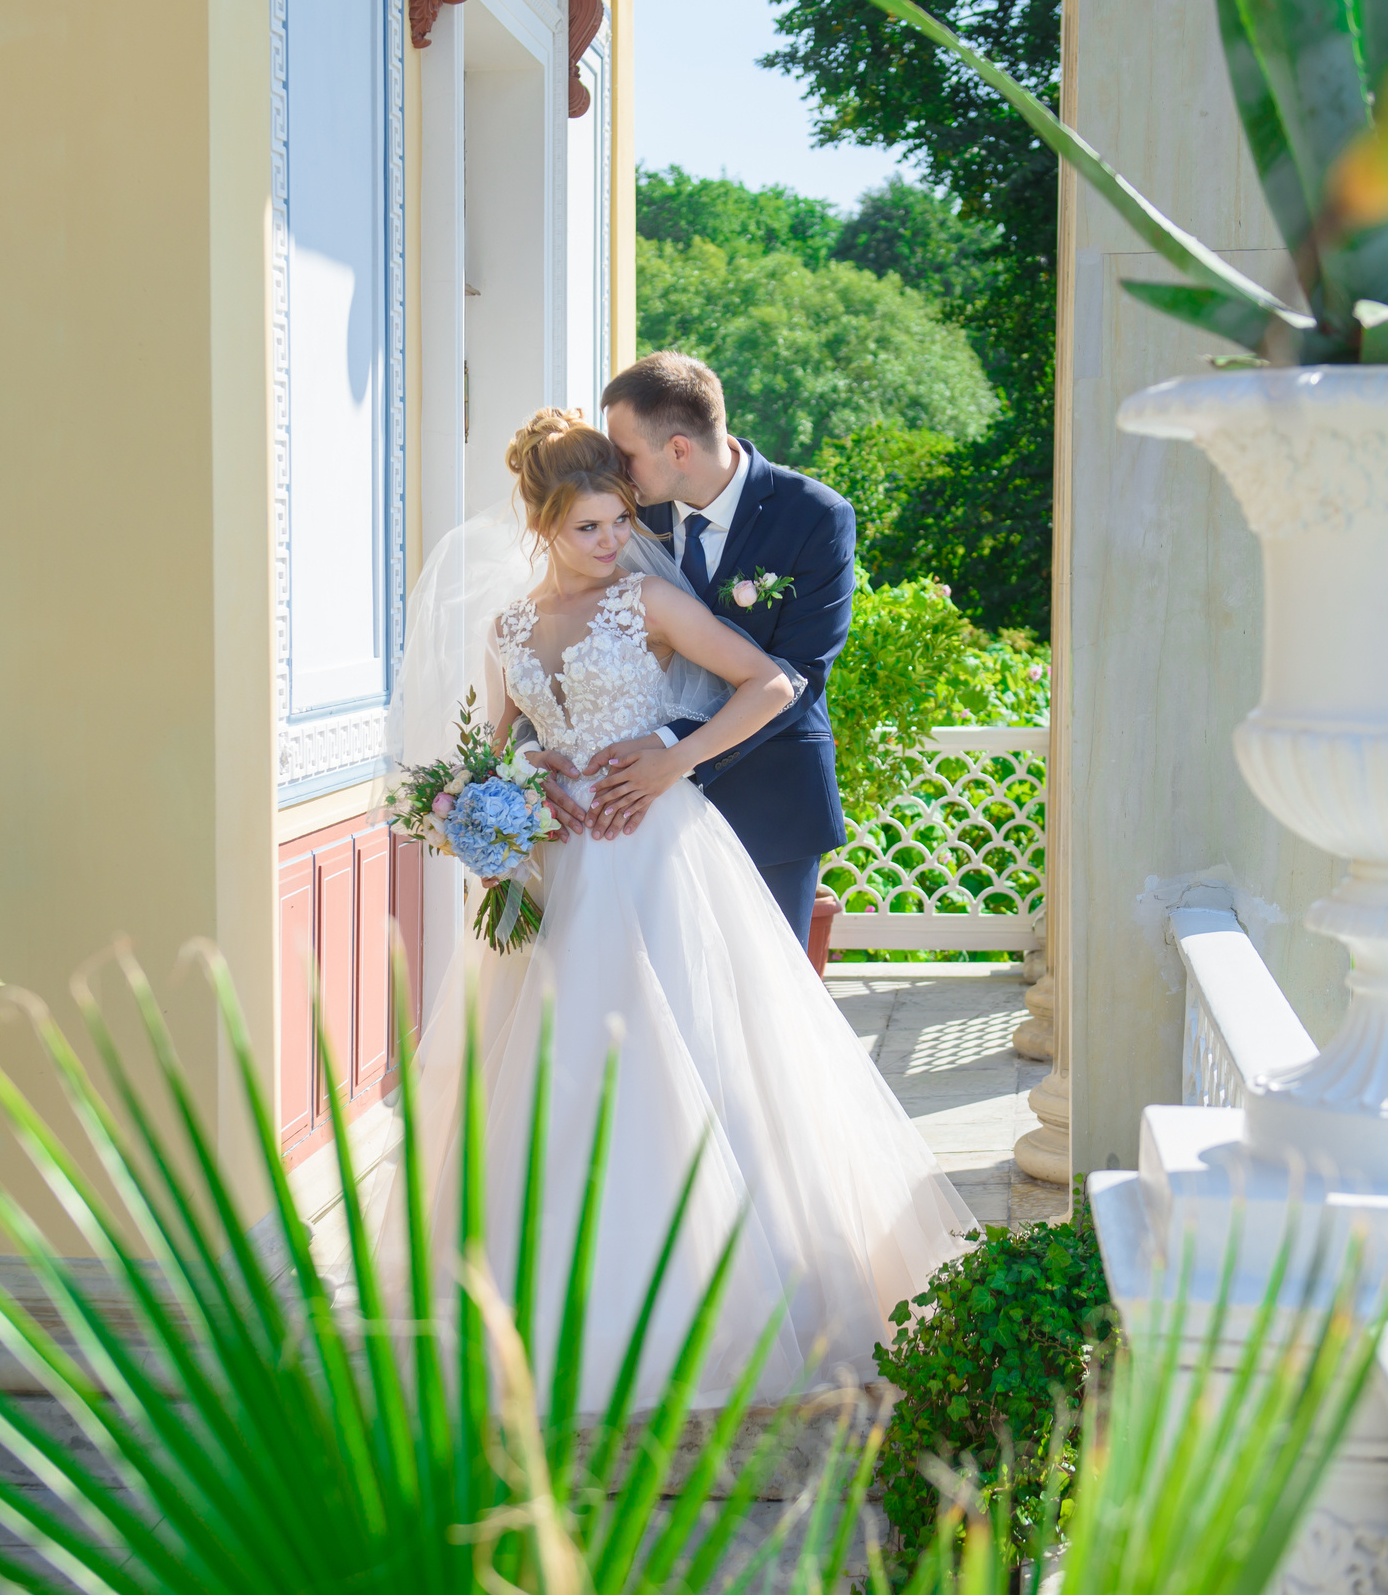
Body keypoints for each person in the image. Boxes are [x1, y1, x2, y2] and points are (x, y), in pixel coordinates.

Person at [391, 407, 971, 1409]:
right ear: (542, 524)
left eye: (621, 520)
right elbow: (493, 744)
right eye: (589, 527)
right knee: (553, 1070)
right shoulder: (509, 627)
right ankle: (542, 1315)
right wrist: (504, 803)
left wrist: (673, 759)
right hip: (554, 869)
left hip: (652, 852)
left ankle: (719, 1298)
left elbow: (771, 682)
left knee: (685, 1056)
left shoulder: (646, 601)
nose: (613, 541)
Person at [548, 352, 855, 952]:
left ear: (678, 449)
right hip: (633, 822)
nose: (616, 468)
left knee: (763, 991)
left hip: (770, 800)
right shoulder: (622, 514)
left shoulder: (814, 516)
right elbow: (564, 637)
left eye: (625, 452)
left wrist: (673, 751)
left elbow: (798, 675)